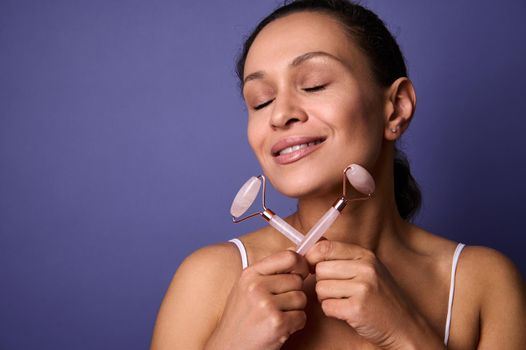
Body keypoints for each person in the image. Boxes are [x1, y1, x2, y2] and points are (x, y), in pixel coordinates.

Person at [150, 1, 526, 349]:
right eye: (261, 101)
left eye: (314, 84)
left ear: (395, 109)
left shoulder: (482, 283)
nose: (280, 114)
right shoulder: (209, 279)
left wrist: (406, 333)